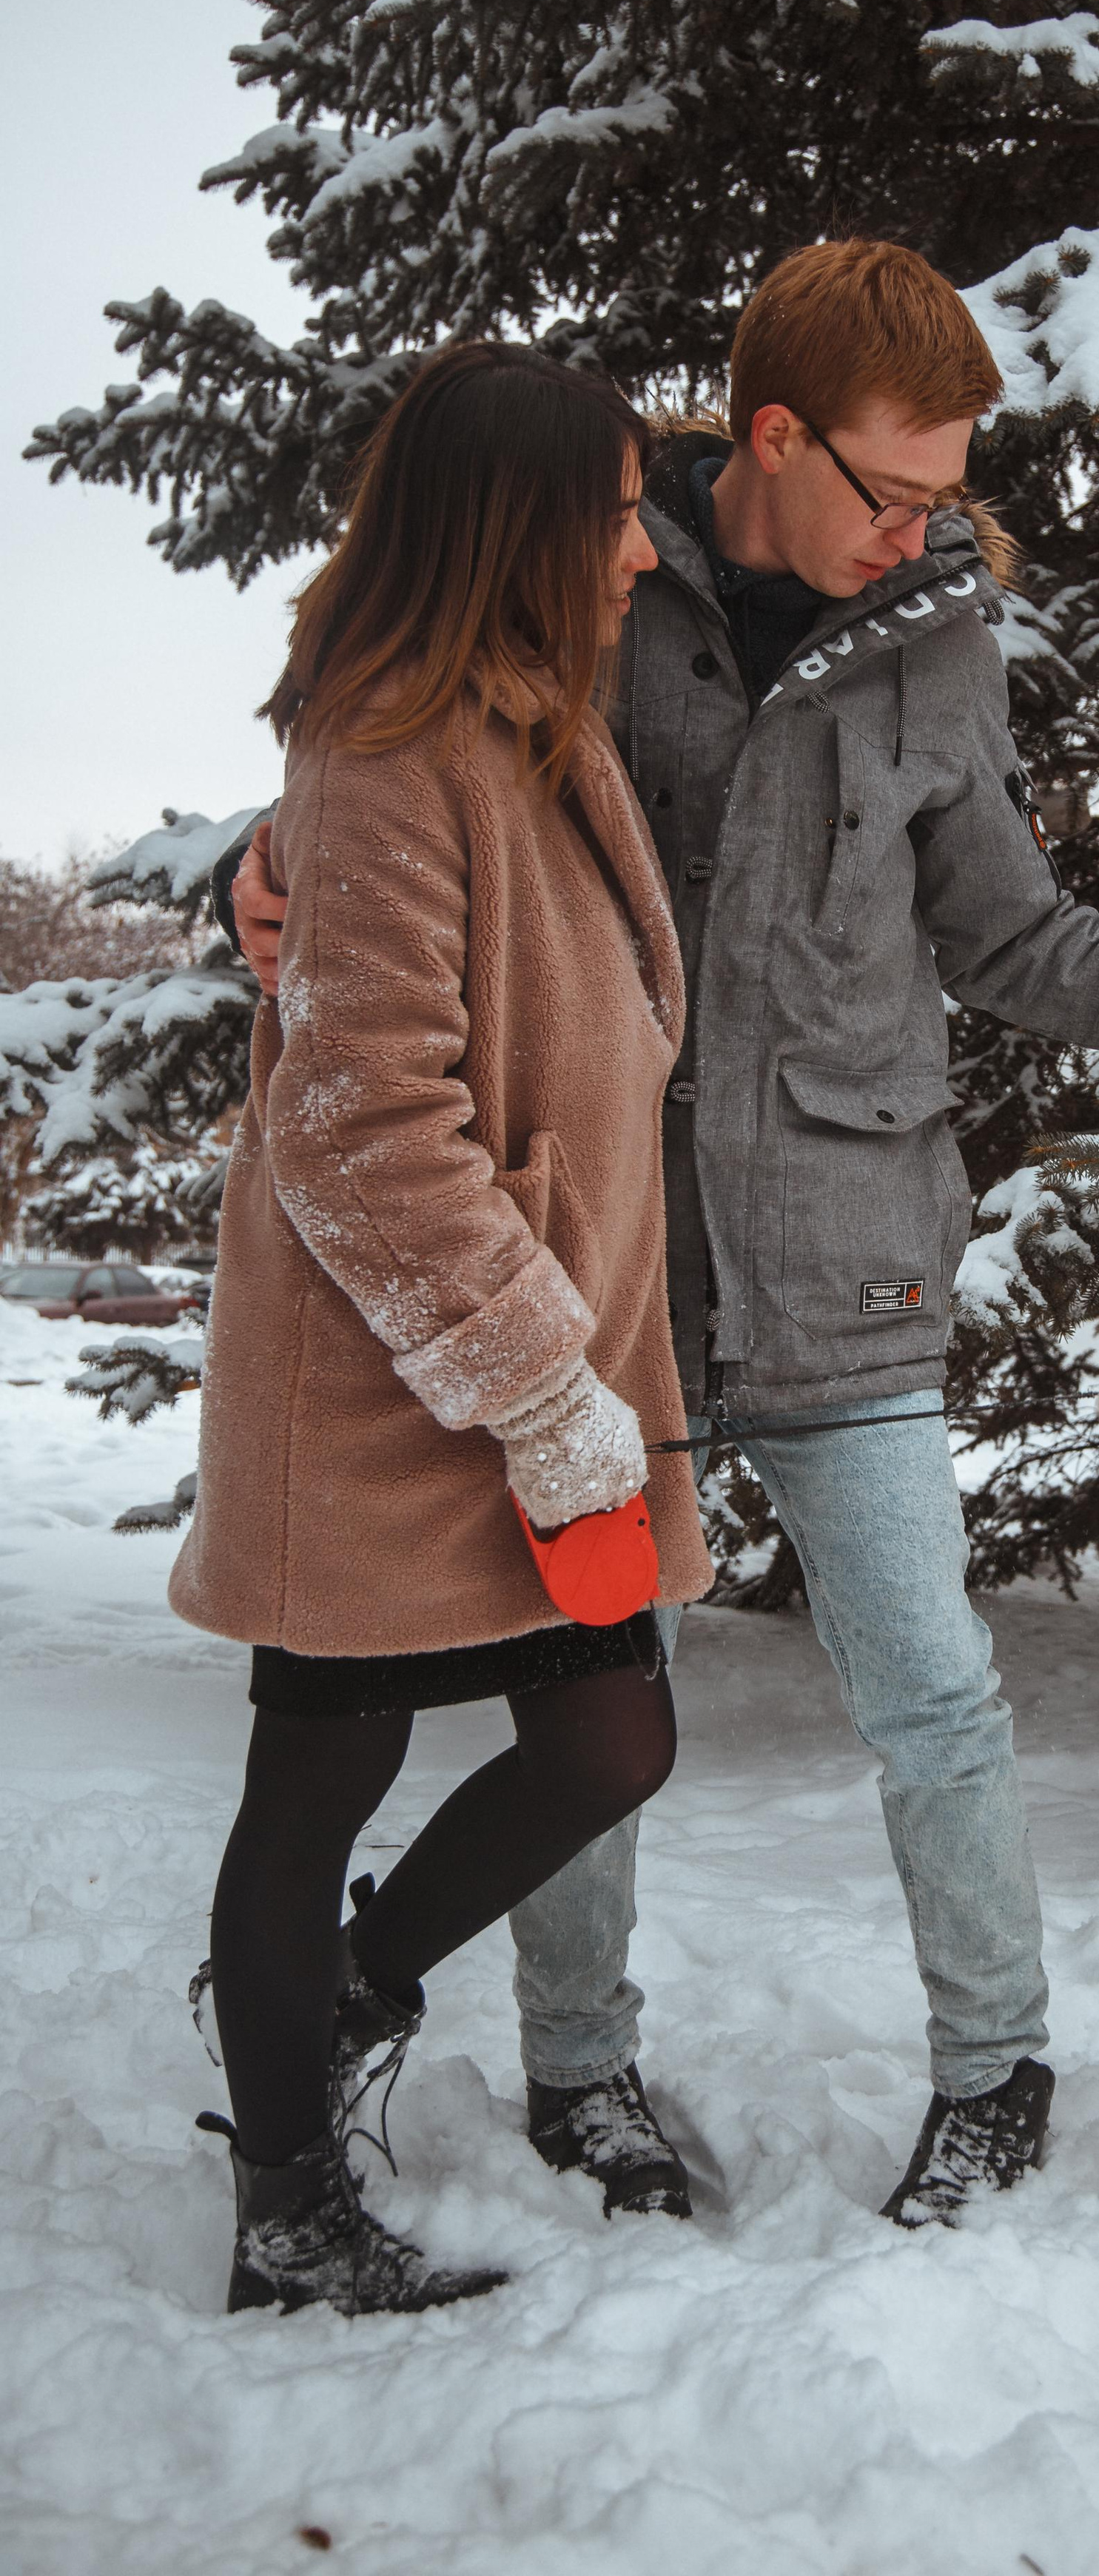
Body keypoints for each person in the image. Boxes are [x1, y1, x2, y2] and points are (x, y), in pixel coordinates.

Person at [226, 241, 1099, 2230]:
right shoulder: (587, 566)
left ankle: (995, 2068)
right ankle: (583, 2074)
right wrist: (266, 872)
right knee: (583, 1686)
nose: (926, 531)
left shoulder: (934, 640)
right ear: (773, 436)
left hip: (845, 1226)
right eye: (893, 491)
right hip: (595, 1258)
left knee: (929, 1676)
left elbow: (1007, 930)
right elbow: (410, 775)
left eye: (944, 495)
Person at [180, 343, 713, 2316]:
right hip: (388, 1392)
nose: (640, 554)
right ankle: (290, 2212)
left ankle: (341, 2001)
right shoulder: (395, 747)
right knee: (318, 1778)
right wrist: (535, 1381)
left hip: (517, 1378)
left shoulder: (522, 731)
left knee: (611, 1733)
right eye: (608, 516)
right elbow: (357, 1121)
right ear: (514, 531)